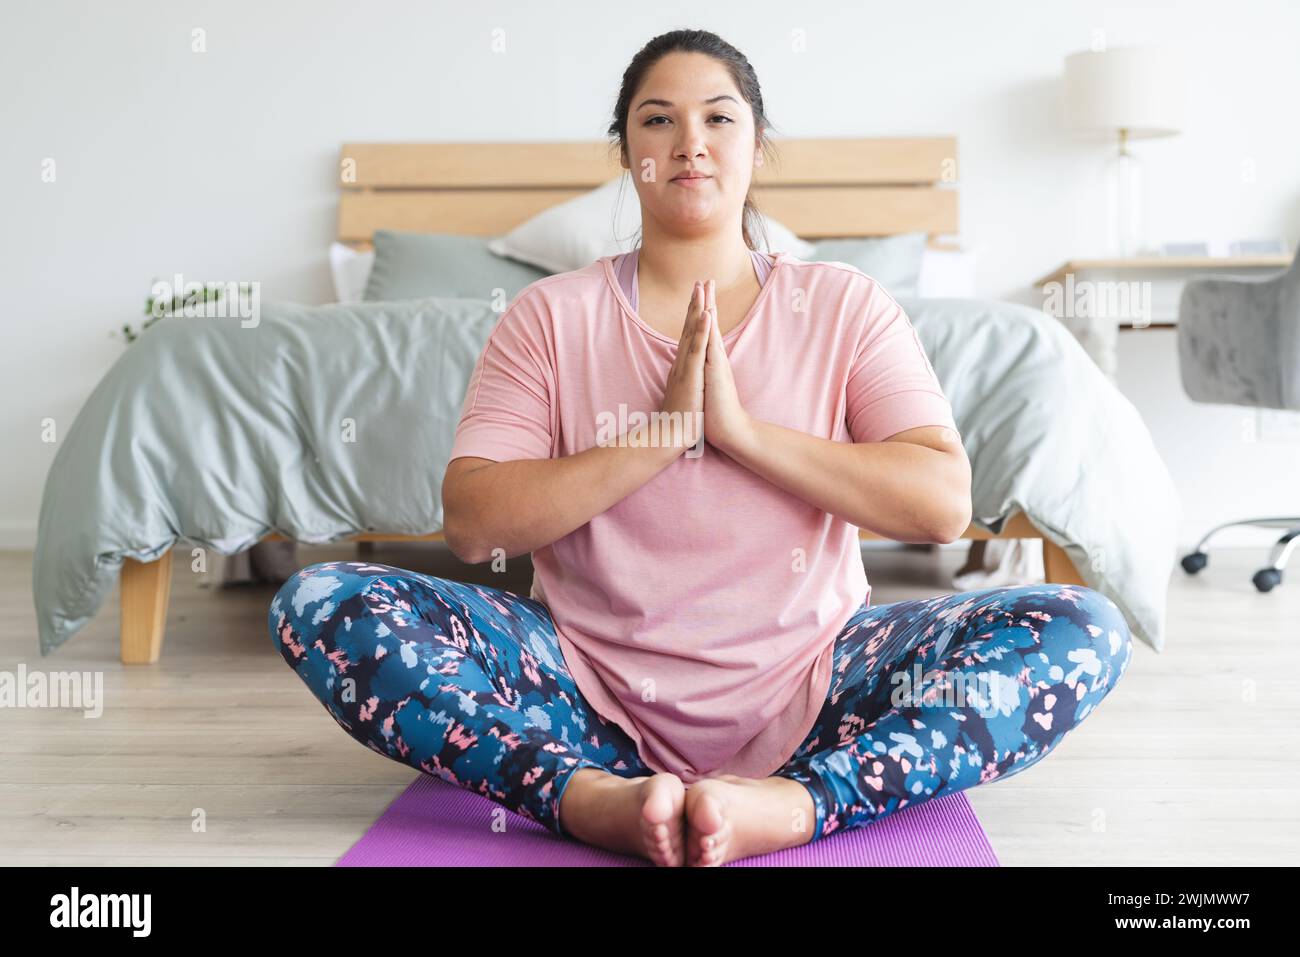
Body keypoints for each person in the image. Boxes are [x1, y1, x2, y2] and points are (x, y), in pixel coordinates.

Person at [269, 29, 1133, 867]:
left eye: (720, 118)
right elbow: (473, 523)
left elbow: (941, 504)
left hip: (818, 687)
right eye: (658, 119)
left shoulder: (846, 305)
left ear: (759, 146)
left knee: (1083, 627)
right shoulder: (549, 316)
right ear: (625, 152)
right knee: (320, 601)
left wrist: (742, 434)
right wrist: (659, 437)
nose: (691, 142)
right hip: (583, 693)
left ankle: (795, 804)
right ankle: (587, 797)